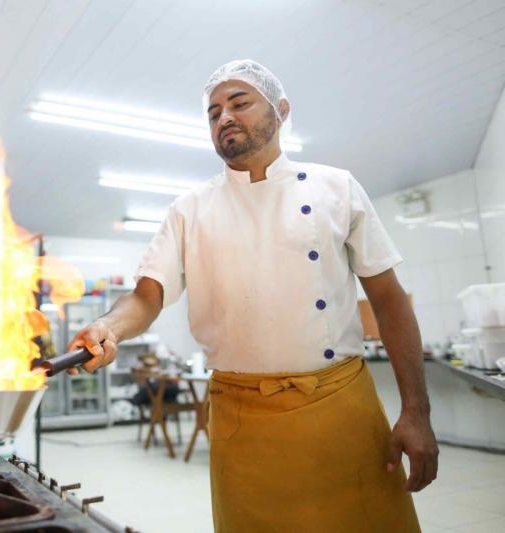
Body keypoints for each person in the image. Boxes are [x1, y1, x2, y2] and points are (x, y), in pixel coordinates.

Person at [68, 59, 436, 532]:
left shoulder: (336, 188)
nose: (224, 117)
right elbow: (147, 296)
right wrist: (108, 327)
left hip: (340, 408)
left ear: (281, 110)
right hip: (243, 419)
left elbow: (389, 299)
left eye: (239, 103)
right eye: (213, 111)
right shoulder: (189, 210)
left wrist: (417, 412)